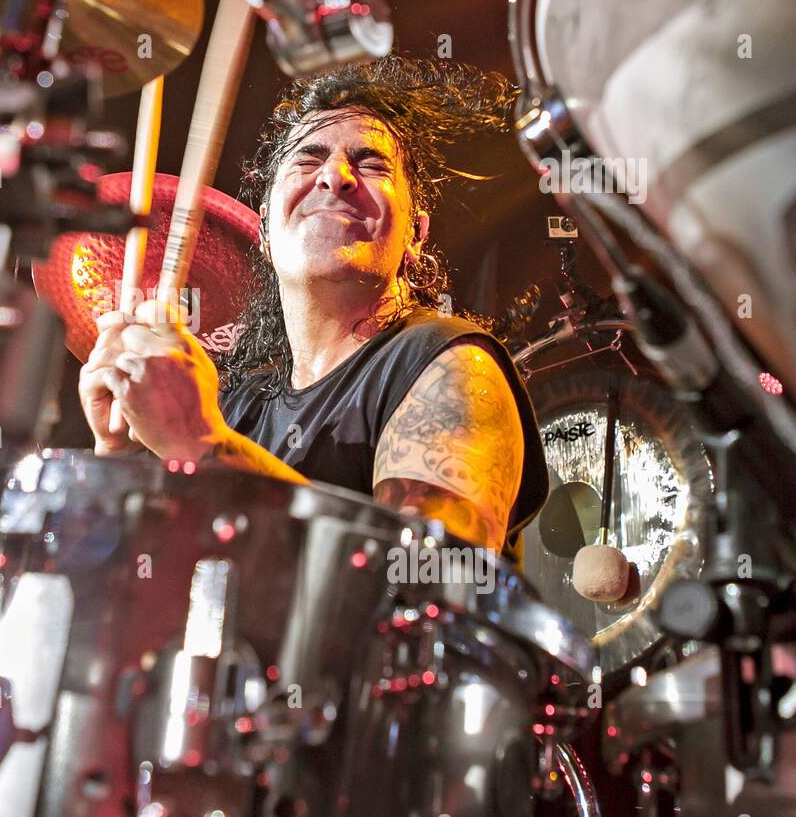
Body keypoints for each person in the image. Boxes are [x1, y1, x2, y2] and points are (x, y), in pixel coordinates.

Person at [78, 55, 548, 553]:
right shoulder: (241, 406)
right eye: (308, 158)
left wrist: (205, 446)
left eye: (370, 163)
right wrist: (122, 456)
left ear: (415, 233)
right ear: (263, 229)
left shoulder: (447, 365)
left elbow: (429, 582)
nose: (335, 176)